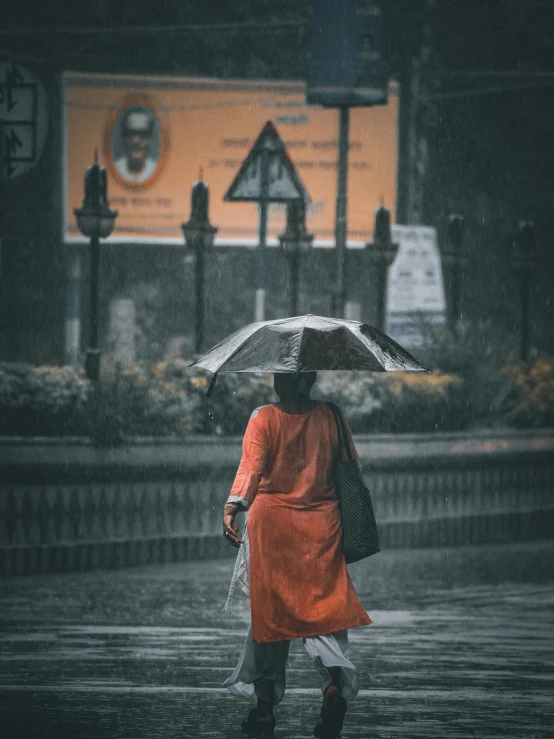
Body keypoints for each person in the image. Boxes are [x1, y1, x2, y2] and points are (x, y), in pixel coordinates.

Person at [222, 371, 372, 739]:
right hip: (322, 527)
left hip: (272, 526)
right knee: (325, 613)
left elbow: (252, 468)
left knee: (271, 620)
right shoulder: (332, 416)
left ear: (279, 382)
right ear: (312, 379)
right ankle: (334, 686)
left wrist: (232, 505)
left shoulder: (264, 418)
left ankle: (264, 710)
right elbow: (349, 464)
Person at [115, 109, 158, 184]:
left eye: (142, 138)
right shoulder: (117, 167)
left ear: (149, 141)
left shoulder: (154, 168)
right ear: (125, 140)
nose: (137, 145)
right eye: (131, 137)